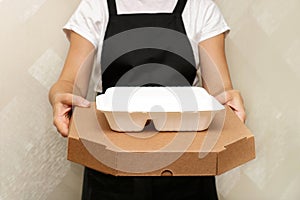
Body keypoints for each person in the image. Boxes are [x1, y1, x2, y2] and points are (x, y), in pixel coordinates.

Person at [49, 0, 246, 199]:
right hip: (111, 167)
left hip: (188, 167)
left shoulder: (200, 7)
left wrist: (226, 98)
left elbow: (218, 90)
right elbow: (71, 82)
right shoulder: (96, 6)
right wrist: (60, 95)